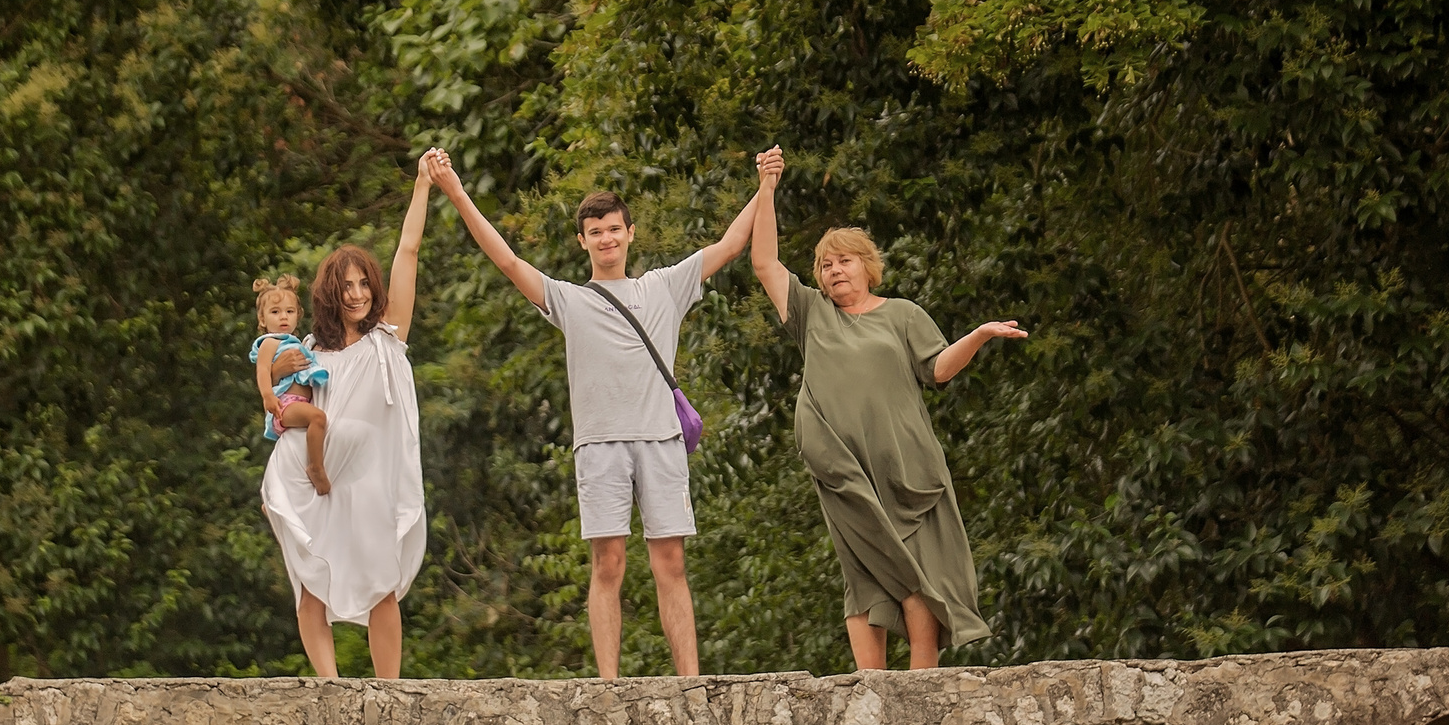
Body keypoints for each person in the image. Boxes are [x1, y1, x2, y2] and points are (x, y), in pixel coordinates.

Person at [429, 147, 758, 678]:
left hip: (660, 440)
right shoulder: (568, 299)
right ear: (582, 241)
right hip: (601, 444)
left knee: (670, 562)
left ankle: (690, 683)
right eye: (595, 231)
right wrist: (455, 191)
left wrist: (766, 185)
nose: (606, 238)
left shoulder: (664, 286)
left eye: (614, 228)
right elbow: (508, 261)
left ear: (630, 233)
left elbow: (732, 243)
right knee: (608, 563)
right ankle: (608, 683)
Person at [747, 147, 1025, 669]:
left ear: (868, 267)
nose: (833, 272)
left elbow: (938, 368)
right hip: (843, 469)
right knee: (863, 574)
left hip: (906, 465)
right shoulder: (811, 314)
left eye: (844, 261)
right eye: (825, 265)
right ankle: (869, 690)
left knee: (920, 576)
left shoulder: (902, 315)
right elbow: (764, 261)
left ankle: (921, 686)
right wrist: (766, 189)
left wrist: (981, 334)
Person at [260, 159, 437, 678]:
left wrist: (422, 185)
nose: (357, 293)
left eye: (364, 283)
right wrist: (277, 369)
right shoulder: (310, 348)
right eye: (347, 286)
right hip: (315, 480)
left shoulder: (389, 337)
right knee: (311, 581)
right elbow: (280, 411)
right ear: (330, 293)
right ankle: (330, 686)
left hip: (366, 483)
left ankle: (390, 692)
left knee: (383, 585)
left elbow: (408, 251)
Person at [248, 276, 330, 494]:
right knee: (318, 418)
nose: (283, 316)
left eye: (289, 311)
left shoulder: (300, 343)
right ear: (262, 319)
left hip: (299, 401)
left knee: (303, 442)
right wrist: (267, 396)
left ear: (298, 315)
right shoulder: (270, 342)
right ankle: (315, 467)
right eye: (275, 312)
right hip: (284, 404)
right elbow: (263, 370)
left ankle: (276, 497)